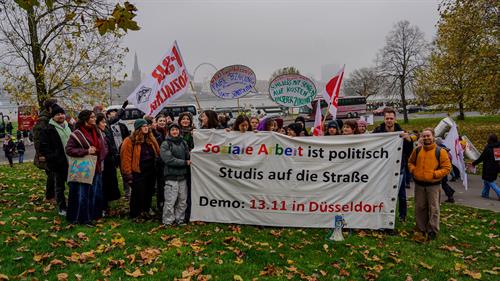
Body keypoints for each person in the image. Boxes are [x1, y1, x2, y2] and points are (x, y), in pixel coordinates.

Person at [408, 128, 451, 240]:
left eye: (428, 136)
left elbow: (447, 168)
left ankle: (432, 230)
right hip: (419, 185)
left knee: (434, 208)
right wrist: (414, 170)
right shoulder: (417, 150)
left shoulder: (440, 151)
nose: (426, 138)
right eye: (424, 136)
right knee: (420, 207)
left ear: (433, 136)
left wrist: (434, 174)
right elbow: (410, 162)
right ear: (421, 137)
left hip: (434, 185)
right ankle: (421, 228)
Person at [65, 110, 107, 226]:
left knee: (94, 193)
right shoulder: (77, 134)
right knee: (84, 195)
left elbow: (102, 146)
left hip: (96, 166)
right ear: (85, 120)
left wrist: (100, 154)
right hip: (84, 168)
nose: (94, 119)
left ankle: (92, 215)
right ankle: (83, 219)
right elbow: (69, 149)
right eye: (92, 117)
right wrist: (86, 151)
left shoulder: (97, 131)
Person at [372, 107, 413, 222]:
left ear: (395, 119)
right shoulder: (378, 131)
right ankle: (382, 213)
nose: (389, 120)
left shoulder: (402, 132)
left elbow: (408, 151)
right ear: (384, 119)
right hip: (382, 168)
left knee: (401, 193)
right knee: (382, 192)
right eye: (387, 118)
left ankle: (402, 215)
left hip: (398, 167)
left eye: (391, 118)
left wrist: (409, 140)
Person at [120, 118, 160, 219]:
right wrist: (128, 174)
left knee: (149, 191)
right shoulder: (129, 140)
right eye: (143, 126)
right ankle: (135, 213)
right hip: (138, 171)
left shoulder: (150, 138)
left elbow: (157, 152)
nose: (146, 128)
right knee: (138, 193)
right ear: (138, 128)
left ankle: (146, 210)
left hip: (151, 170)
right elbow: (126, 158)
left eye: (147, 126)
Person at [39, 104, 72, 216]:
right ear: (53, 117)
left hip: (72, 163)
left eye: (62, 113)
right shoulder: (47, 129)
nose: (60, 116)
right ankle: (62, 208)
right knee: (59, 188)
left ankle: (73, 205)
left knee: (73, 185)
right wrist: (53, 157)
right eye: (57, 114)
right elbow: (44, 147)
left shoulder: (70, 127)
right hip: (58, 164)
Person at [161, 123, 191, 226]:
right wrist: (184, 163)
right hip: (171, 177)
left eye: (176, 130)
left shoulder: (183, 142)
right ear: (169, 132)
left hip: (183, 177)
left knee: (182, 200)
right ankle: (168, 221)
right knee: (170, 201)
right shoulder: (166, 144)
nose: (175, 132)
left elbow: (188, 156)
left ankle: (180, 219)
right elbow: (169, 160)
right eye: (173, 130)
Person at [96, 113, 121, 216]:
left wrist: (115, 157)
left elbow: (111, 145)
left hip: (110, 162)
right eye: (102, 122)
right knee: (103, 186)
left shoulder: (105, 131)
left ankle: (108, 207)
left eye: (105, 121)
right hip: (102, 163)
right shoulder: (97, 133)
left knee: (110, 185)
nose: (105, 124)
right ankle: (102, 208)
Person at [33, 99, 57, 201]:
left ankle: (53, 195)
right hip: (45, 152)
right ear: (50, 108)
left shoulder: (50, 118)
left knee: (54, 174)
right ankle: (50, 196)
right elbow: (38, 139)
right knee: (51, 173)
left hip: (51, 151)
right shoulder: (43, 120)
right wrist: (40, 154)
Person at [472, 133, 500, 200]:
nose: (487, 139)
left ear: (490, 140)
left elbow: (482, 158)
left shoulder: (488, 148)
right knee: (487, 180)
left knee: (490, 181)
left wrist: (474, 163)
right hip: (495, 167)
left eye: (488, 138)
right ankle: (485, 194)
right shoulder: (498, 146)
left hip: (489, 168)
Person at [178, 112, 195, 222]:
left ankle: (189, 211)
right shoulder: (175, 131)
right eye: (183, 119)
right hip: (180, 164)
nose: (185, 121)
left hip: (191, 164)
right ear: (180, 121)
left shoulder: (194, 132)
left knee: (189, 188)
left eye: (187, 119)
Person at [435, 138, 456, 203]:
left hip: (441, 169)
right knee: (444, 182)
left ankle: (450, 197)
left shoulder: (439, 150)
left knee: (443, 184)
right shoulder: (444, 149)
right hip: (444, 169)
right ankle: (451, 191)